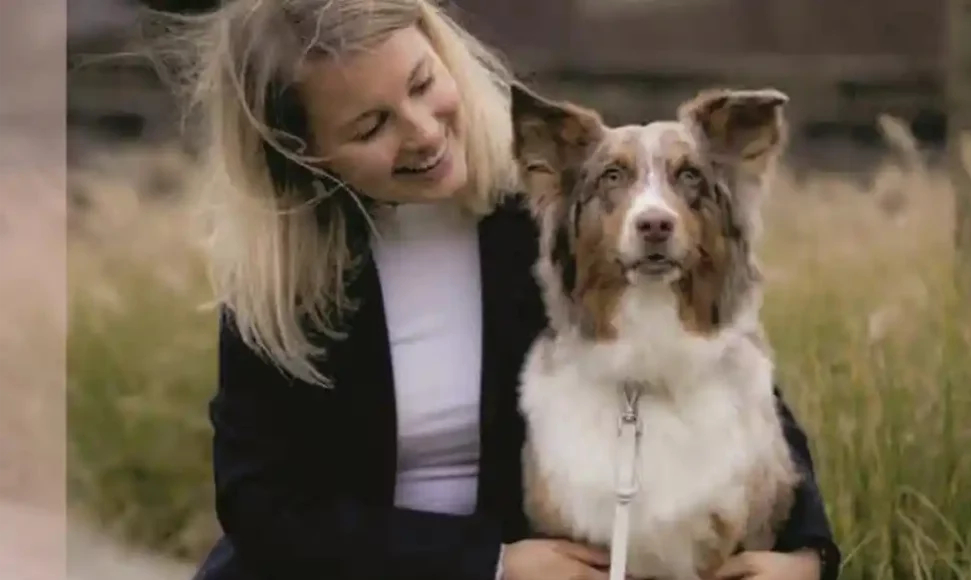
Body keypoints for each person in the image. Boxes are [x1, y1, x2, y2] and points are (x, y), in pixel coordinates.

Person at [153, 1, 842, 579]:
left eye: (422, 85)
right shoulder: (283, 279)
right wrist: (487, 565)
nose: (422, 132)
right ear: (301, 151)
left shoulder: (548, 212)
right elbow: (262, 506)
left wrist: (806, 550)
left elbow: (720, 362)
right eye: (370, 126)